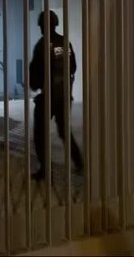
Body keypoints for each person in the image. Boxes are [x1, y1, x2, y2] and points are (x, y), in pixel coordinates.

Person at [30, 10, 83, 181]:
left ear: (43, 26)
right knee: (64, 131)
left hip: (48, 96)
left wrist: (34, 85)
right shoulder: (65, 42)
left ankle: (45, 170)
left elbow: (35, 73)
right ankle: (79, 161)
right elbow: (73, 67)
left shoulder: (42, 45)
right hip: (64, 95)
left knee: (40, 135)